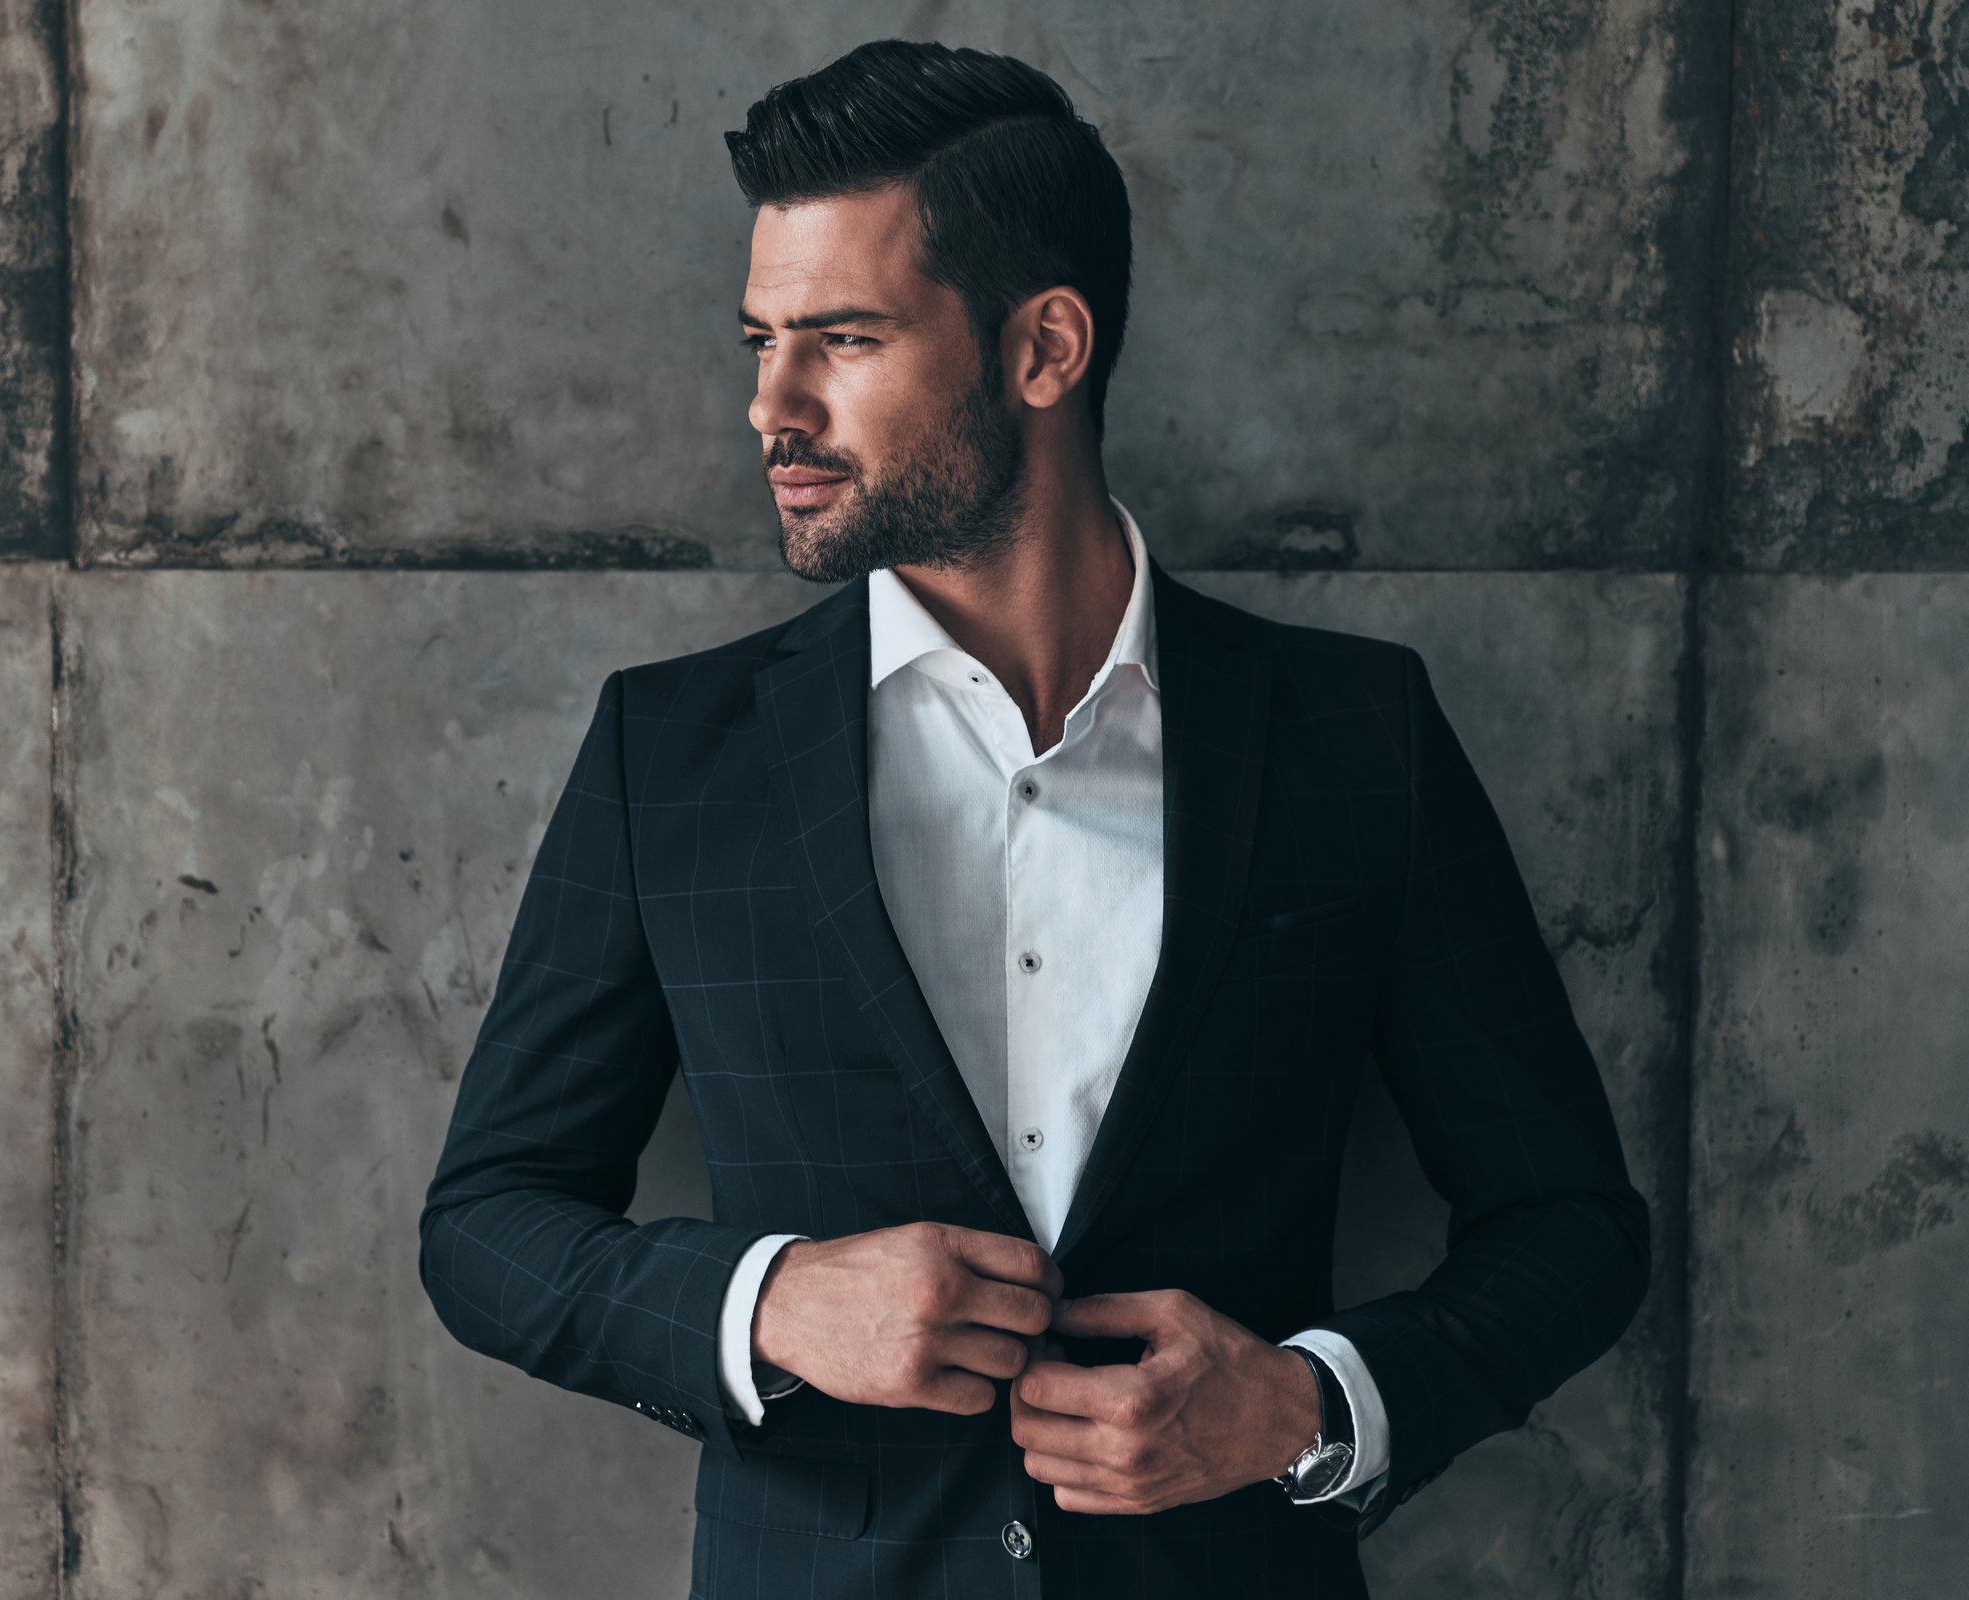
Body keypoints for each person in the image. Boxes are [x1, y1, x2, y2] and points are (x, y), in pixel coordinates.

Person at [419, 38, 1648, 1598]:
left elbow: (1572, 1230)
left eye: (841, 339)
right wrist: (771, 1302)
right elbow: (486, 1225)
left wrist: (1304, 1406)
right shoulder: (673, 755)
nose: (768, 406)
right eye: (760, 341)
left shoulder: (1351, 737)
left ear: (1044, 348)